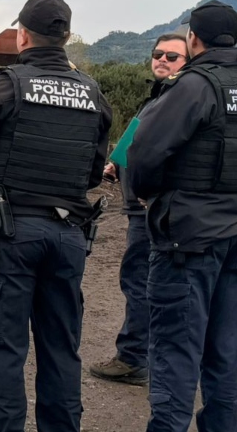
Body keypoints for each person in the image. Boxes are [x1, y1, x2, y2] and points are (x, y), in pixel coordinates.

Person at [0, 0, 112, 432]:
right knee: (62, 346)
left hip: (13, 234)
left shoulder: (6, 85)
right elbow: (94, 170)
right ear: (65, 37)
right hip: (69, 235)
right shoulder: (92, 92)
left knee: (5, 348)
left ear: (22, 35)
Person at [127, 1, 237, 432]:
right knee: (225, 348)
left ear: (194, 39)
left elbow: (143, 152)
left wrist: (149, 197)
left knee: (176, 347)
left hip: (188, 240)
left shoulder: (194, 86)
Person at [89, 33, 187, 386]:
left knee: (143, 284)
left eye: (173, 56)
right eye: (158, 53)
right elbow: (138, 139)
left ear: (188, 61)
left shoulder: (178, 97)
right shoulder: (159, 96)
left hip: (151, 211)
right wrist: (118, 164)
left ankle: (133, 358)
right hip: (142, 208)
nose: (162, 60)